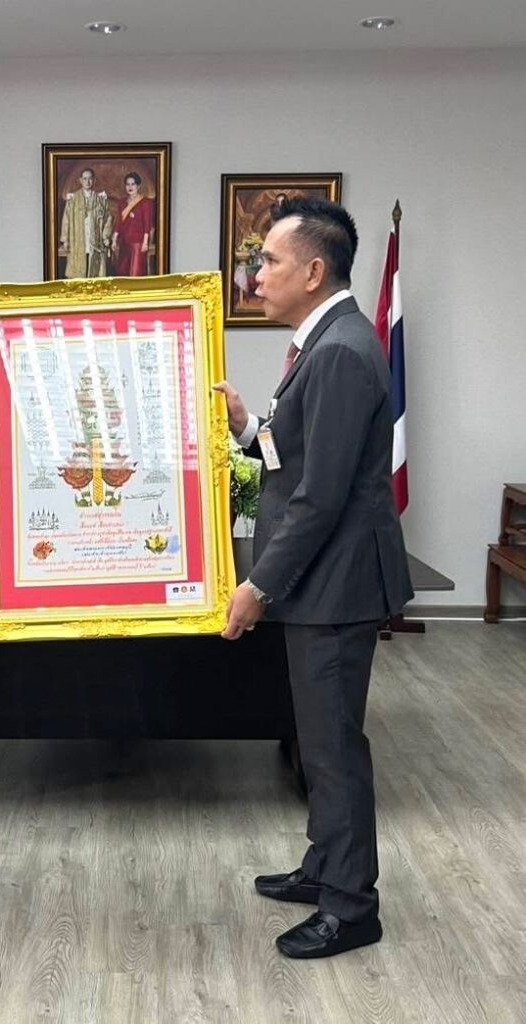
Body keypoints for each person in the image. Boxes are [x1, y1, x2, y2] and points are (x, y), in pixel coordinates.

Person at [214, 197, 412, 959]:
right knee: (316, 740)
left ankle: (350, 907)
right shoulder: (326, 340)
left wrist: (256, 586)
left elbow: (319, 496)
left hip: (332, 585)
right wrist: (245, 428)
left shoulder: (336, 351)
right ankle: (324, 866)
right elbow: (295, 458)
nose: (255, 274)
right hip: (323, 583)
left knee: (331, 749)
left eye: (267, 260)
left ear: (313, 270)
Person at [59, 168, 113, 278]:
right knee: (78, 270)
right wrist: (65, 239)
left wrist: (105, 236)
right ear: (80, 180)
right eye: (85, 179)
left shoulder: (100, 199)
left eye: (90, 179)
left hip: (95, 240)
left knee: (95, 271)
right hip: (78, 240)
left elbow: (108, 219)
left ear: (94, 180)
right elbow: (66, 219)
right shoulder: (73, 199)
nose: (87, 182)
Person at [111, 172, 155, 276]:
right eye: (128, 184)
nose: (130, 187)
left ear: (138, 186)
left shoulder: (145, 202)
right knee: (123, 272)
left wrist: (145, 243)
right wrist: (114, 240)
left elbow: (147, 224)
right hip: (124, 242)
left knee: (135, 273)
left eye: (133, 184)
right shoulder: (122, 202)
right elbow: (118, 222)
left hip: (137, 244)